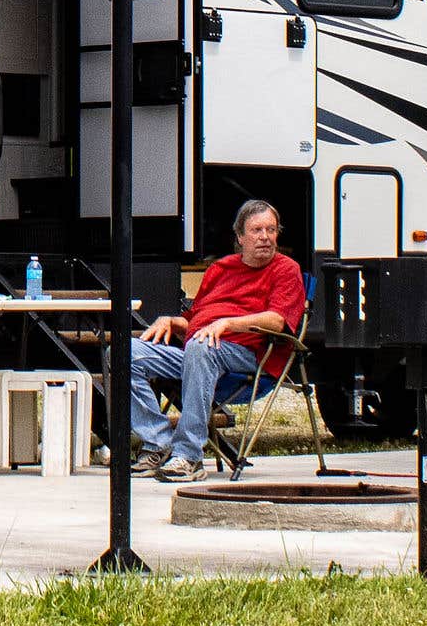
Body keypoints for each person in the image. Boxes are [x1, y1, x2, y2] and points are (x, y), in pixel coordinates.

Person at [129, 198, 304, 480]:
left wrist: (227, 324)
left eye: (271, 230)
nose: (265, 237)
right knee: (126, 351)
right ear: (240, 237)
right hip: (199, 351)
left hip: (248, 355)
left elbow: (277, 320)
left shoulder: (286, 269)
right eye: (257, 230)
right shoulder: (220, 269)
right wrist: (174, 321)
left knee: (202, 345)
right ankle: (157, 442)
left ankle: (188, 456)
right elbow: (197, 319)